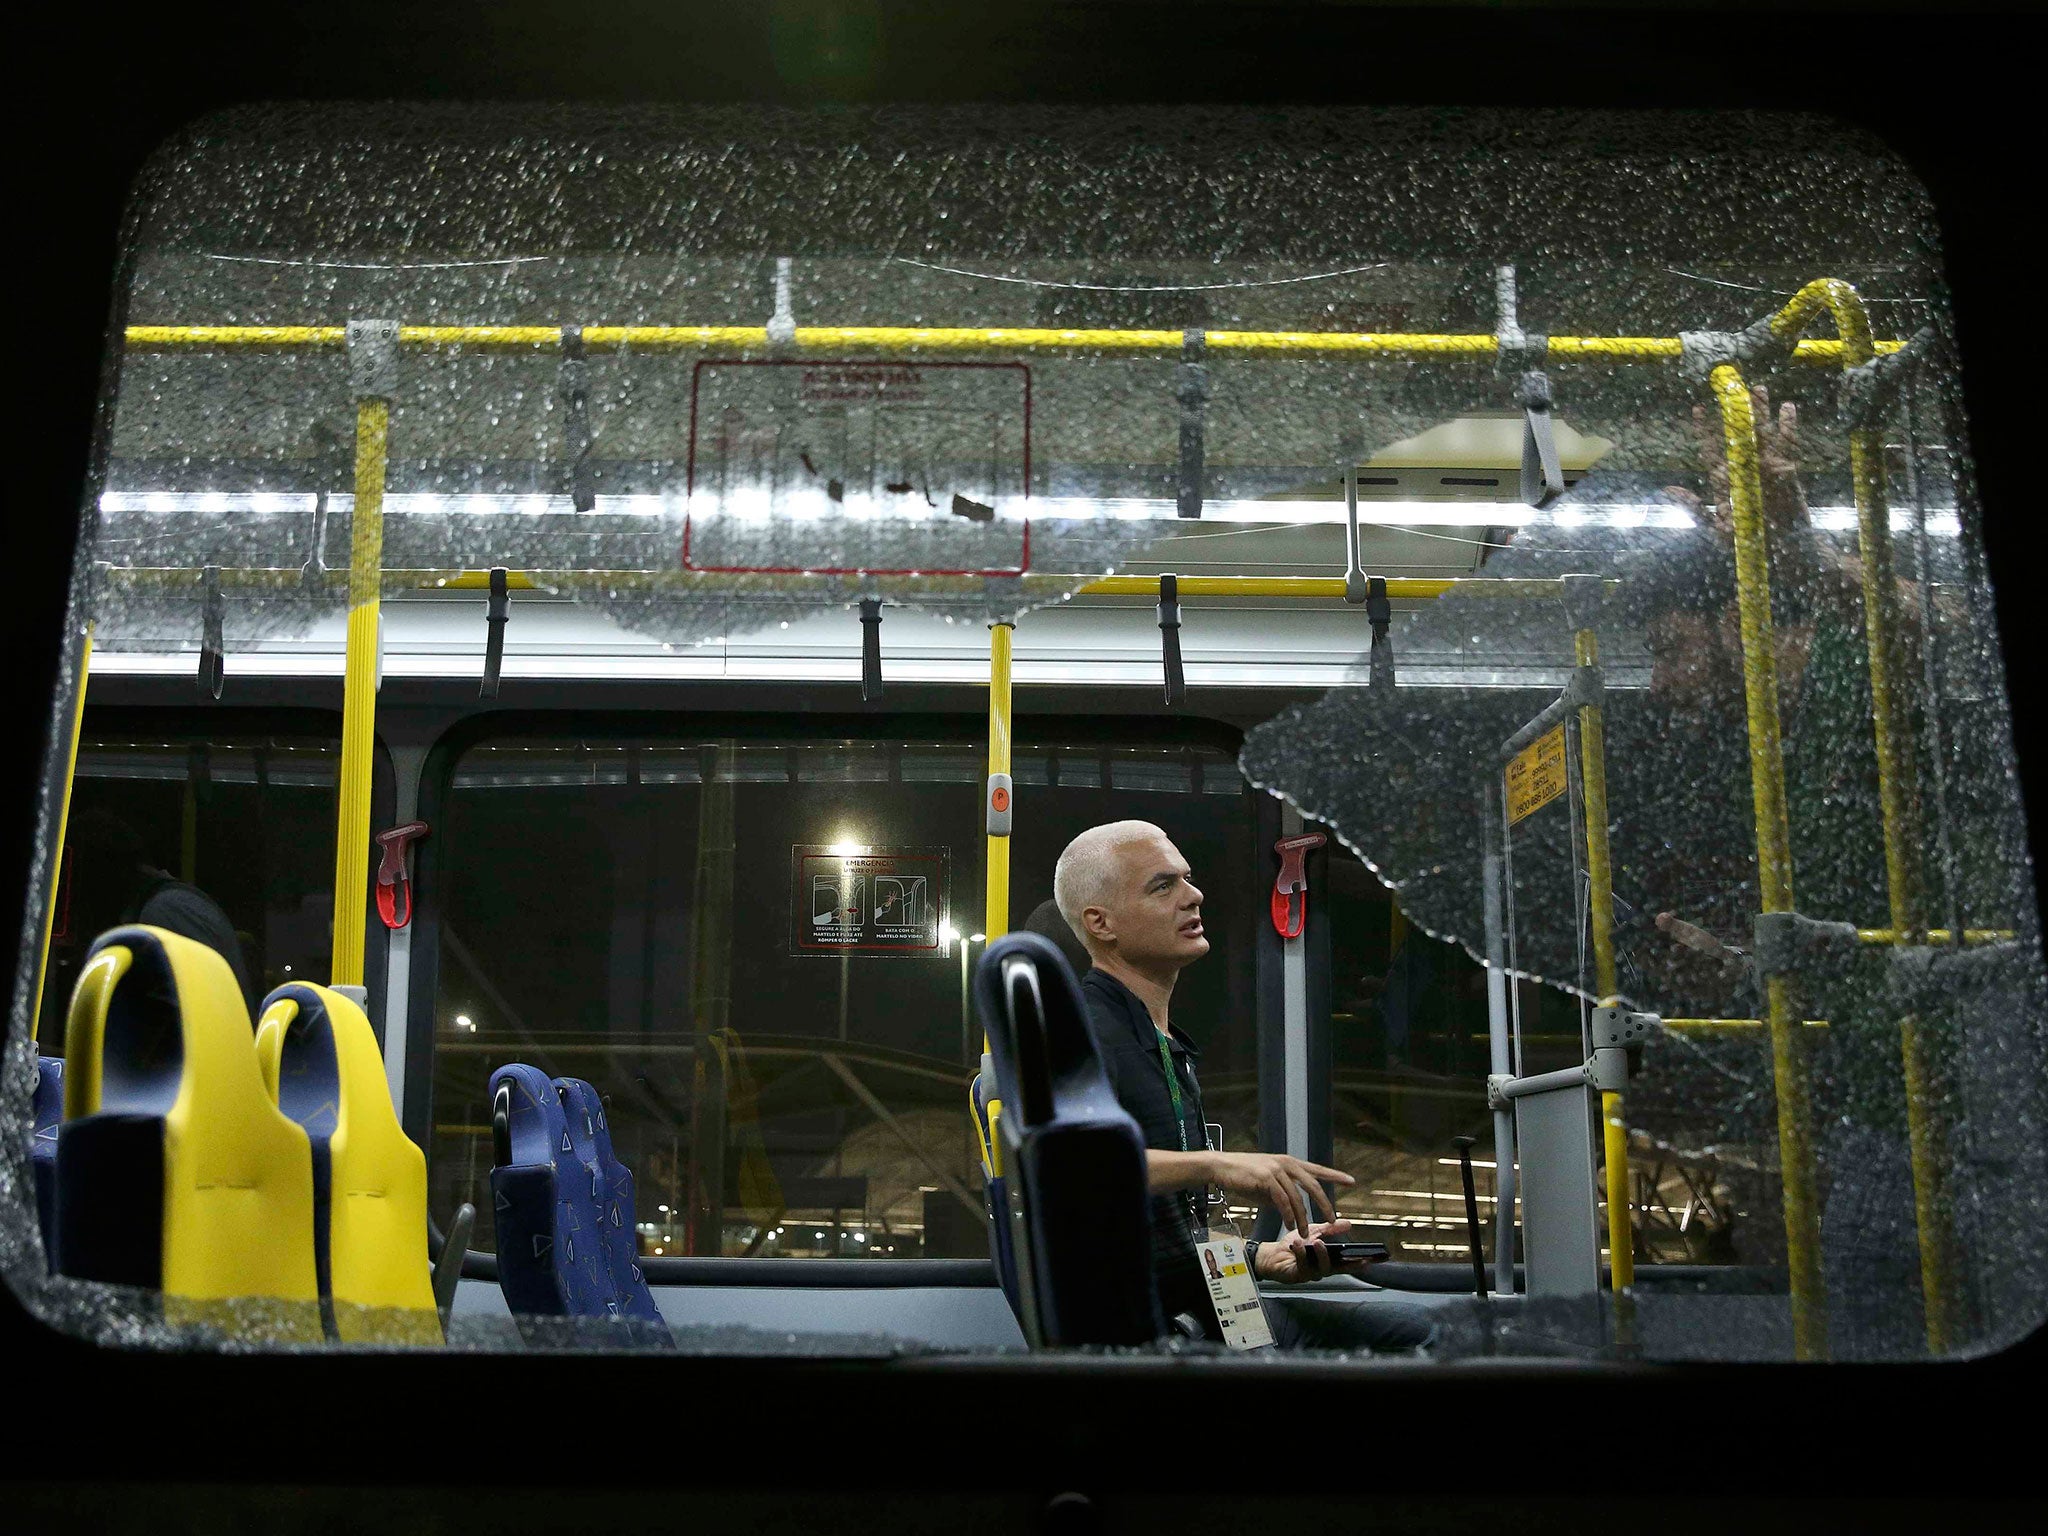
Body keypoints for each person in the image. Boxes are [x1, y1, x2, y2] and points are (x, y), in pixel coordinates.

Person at [1052, 819, 1438, 1352]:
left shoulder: (1162, 1042)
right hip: (1164, 1336)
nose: (1194, 895)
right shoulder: (1087, 1032)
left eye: (1187, 879)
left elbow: (1165, 1234)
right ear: (1102, 923)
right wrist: (1217, 1165)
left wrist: (1262, 1259)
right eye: (1163, 886)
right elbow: (1070, 1165)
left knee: (1442, 1334)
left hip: (1210, 1311)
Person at [56, 806, 257, 1021]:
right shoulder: (161, 908)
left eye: (83, 879)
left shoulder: (166, 911)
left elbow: (191, 1020)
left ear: (108, 871)